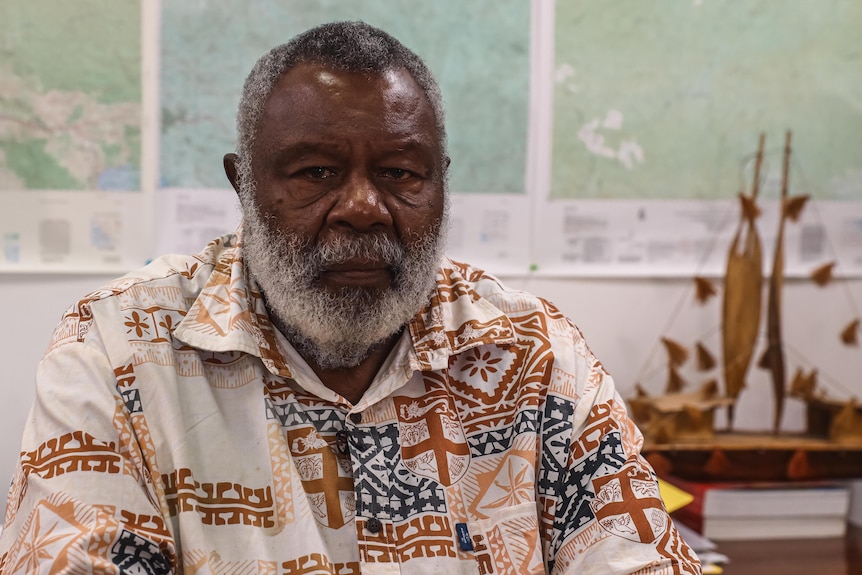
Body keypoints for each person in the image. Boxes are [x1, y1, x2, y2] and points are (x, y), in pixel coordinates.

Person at [0, 21, 700, 575]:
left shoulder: (535, 355)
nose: (363, 207)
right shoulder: (119, 351)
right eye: (316, 172)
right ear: (243, 183)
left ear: (440, 183)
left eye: (400, 171)